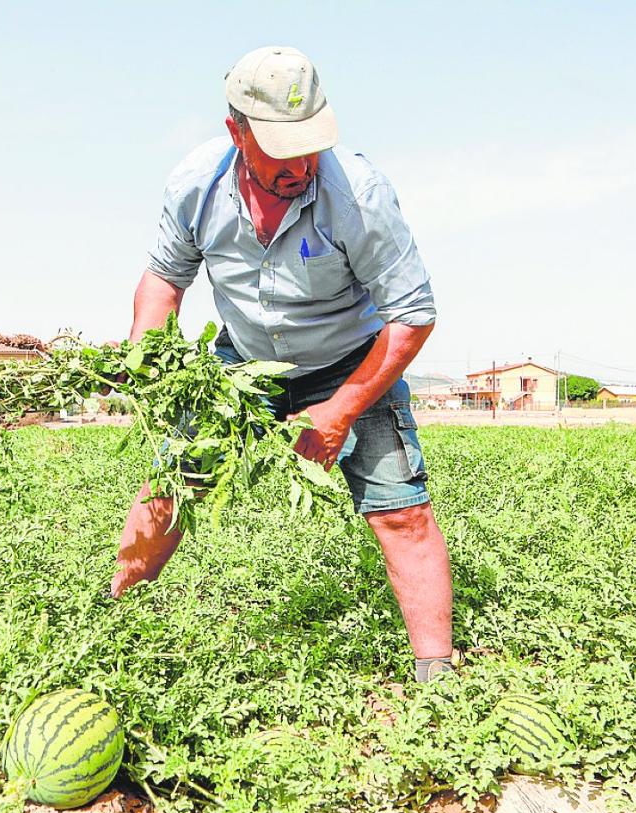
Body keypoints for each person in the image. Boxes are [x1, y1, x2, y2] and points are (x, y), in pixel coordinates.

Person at [109, 47, 455, 682]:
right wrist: (146, 356)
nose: (300, 165)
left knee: (401, 510)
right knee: (171, 488)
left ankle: (438, 679)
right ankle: (110, 625)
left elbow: (412, 315)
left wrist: (341, 410)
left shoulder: (360, 195)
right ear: (237, 131)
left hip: (352, 361)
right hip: (242, 363)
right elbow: (162, 283)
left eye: (309, 146)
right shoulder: (197, 185)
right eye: (281, 149)